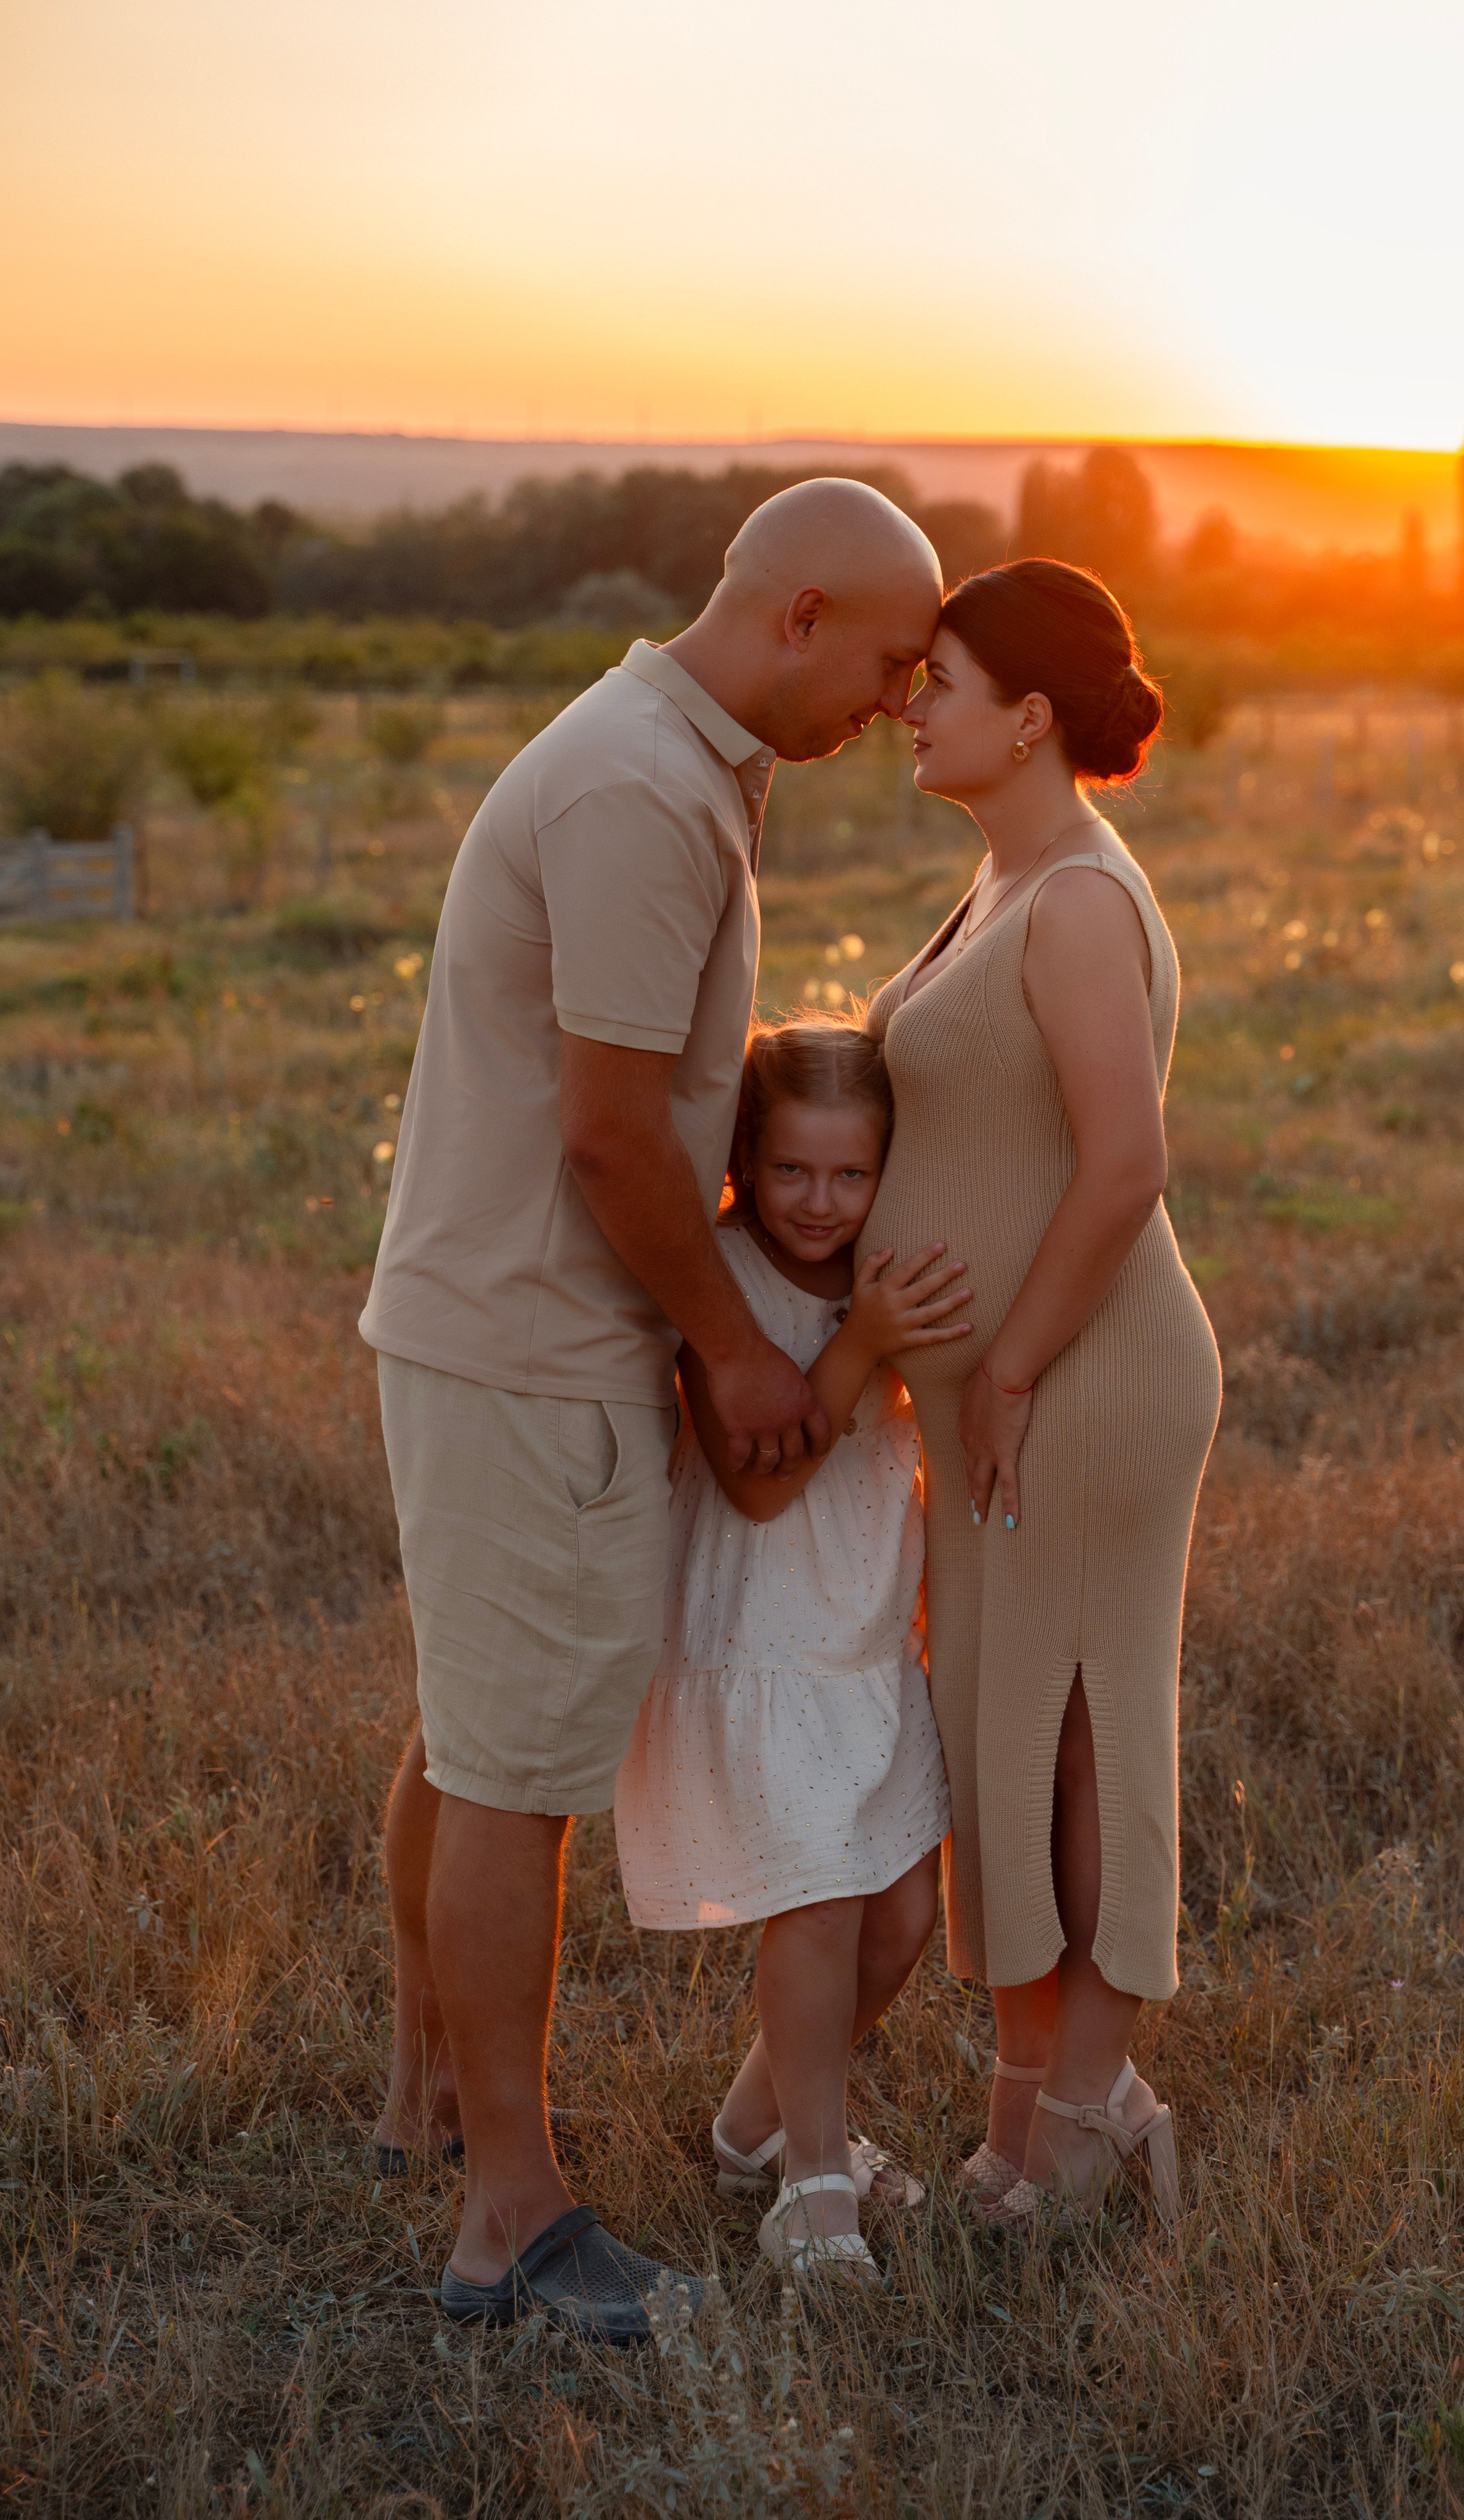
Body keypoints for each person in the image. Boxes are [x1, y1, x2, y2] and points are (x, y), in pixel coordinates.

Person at [357, 480, 942, 2338]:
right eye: (890, 657)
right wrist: (738, 1349)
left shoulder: (678, 762)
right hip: (536, 1342)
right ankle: (511, 2228)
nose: (897, 695)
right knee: (521, 1777)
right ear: (799, 616)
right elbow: (612, 1134)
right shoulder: (639, 789)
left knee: (473, 1729)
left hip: (507, 1325)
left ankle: (424, 2097)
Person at [860, 559, 1221, 2233]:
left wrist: (999, 1368)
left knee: (1078, 1739)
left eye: (933, 677)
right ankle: (1034, 2117)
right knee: (994, 1735)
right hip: (1001, 1396)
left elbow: (1124, 1162)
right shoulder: (1004, 879)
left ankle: (1083, 2113)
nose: (902, 702)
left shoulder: (1075, 895)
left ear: (1026, 715)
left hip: (1081, 1382)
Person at [613, 1020, 969, 2286]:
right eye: (790, 1174)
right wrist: (864, 1343)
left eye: (850, 1176)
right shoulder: (721, 1284)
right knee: (819, 1901)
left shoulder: (882, 1264)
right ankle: (815, 2187)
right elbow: (760, 1494)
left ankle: (754, 2126)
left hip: (865, 1632)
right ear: (745, 1162)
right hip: (762, 1631)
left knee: (901, 1914)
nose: (819, 1205)